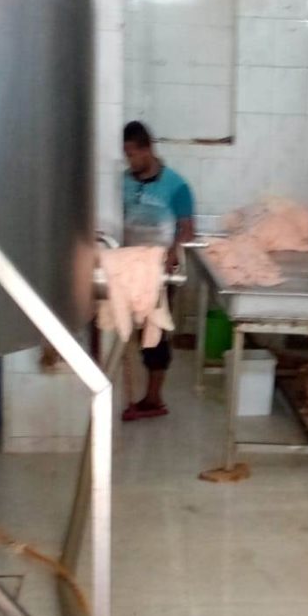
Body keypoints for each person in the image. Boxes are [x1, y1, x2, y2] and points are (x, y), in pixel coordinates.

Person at [120, 121, 194, 421]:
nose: (129, 161)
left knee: (155, 331)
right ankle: (128, 390)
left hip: (159, 270)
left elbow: (187, 229)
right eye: (126, 155)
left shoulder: (176, 186)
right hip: (126, 266)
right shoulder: (123, 182)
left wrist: (173, 253)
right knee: (131, 330)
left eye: (132, 154)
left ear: (147, 149)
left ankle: (154, 398)